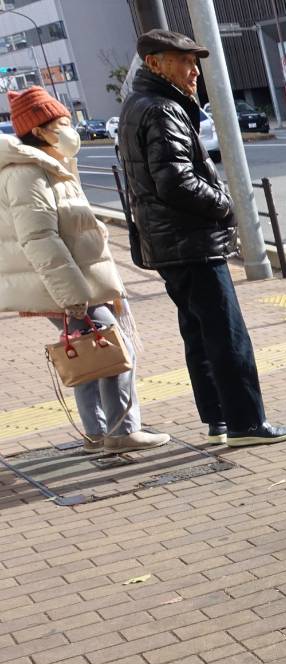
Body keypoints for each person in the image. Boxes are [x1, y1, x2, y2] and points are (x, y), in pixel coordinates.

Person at [119, 29, 286, 447]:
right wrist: (225, 204)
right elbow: (175, 181)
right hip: (191, 242)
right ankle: (246, 423)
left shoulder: (138, 105)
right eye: (183, 61)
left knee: (198, 333)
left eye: (194, 61)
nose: (193, 70)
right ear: (154, 63)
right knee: (226, 333)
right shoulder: (162, 108)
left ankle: (218, 418)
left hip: (169, 243)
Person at [0, 87, 168, 452]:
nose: (70, 128)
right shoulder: (29, 172)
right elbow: (39, 239)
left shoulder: (47, 164)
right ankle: (121, 432)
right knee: (114, 348)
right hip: (65, 286)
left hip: (68, 282)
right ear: (39, 130)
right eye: (62, 123)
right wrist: (73, 296)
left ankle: (97, 432)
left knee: (90, 351)